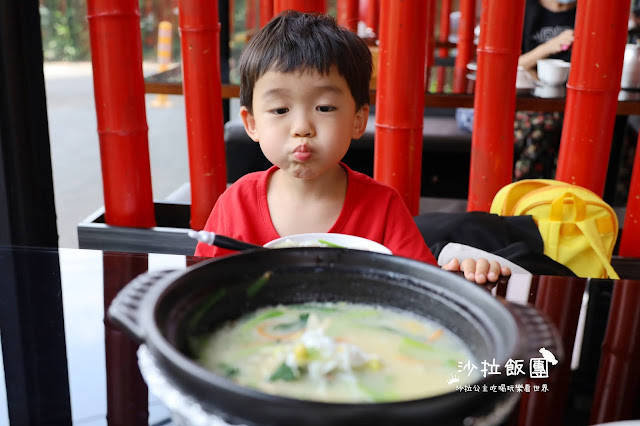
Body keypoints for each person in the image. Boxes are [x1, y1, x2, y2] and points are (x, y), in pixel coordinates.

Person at [195, 11, 510, 284]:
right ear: (251, 123)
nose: (302, 128)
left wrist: (461, 273)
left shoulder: (382, 206)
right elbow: (200, 285)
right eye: (280, 110)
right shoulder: (236, 203)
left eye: (325, 108)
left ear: (359, 120)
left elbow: (417, 284)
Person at [513, 0, 577, 180]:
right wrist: (549, 47)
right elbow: (509, 65)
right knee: (541, 128)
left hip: (571, 103)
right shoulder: (523, 11)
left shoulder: (586, 16)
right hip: (527, 103)